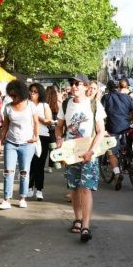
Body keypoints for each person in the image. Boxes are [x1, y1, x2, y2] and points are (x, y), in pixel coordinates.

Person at [55, 74, 106, 242]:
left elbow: (100, 131)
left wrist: (91, 151)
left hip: (89, 153)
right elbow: (59, 127)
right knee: (74, 188)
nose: (74, 86)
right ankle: (77, 219)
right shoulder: (65, 104)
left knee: (86, 188)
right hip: (71, 153)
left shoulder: (94, 104)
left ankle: (86, 226)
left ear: (85, 86)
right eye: (72, 83)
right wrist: (59, 140)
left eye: (78, 84)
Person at [0, 80, 39, 210]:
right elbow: (5, 126)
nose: (13, 98)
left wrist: (35, 137)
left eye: (15, 95)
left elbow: (36, 123)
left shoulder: (31, 105)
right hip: (10, 142)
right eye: (11, 96)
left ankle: (22, 197)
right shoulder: (8, 107)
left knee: (24, 172)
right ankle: (6, 199)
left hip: (27, 144)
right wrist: (0, 141)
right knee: (8, 171)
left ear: (22, 93)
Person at [101, 80, 133, 190]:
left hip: (112, 128)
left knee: (111, 151)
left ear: (107, 89)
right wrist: (130, 119)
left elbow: (101, 114)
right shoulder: (127, 97)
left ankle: (117, 174)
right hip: (127, 127)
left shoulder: (106, 98)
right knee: (127, 148)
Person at [28, 83, 53, 200]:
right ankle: (29, 187)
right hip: (28, 136)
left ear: (40, 93)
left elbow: (49, 121)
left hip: (42, 136)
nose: (32, 93)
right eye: (31, 91)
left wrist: (37, 117)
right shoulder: (26, 104)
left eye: (35, 91)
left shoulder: (44, 105)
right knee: (30, 163)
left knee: (40, 164)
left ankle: (39, 189)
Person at [46, 85, 60, 172]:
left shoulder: (44, 104)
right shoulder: (57, 104)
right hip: (54, 128)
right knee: (52, 148)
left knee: (44, 149)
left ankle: (43, 165)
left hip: (45, 128)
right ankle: (51, 166)